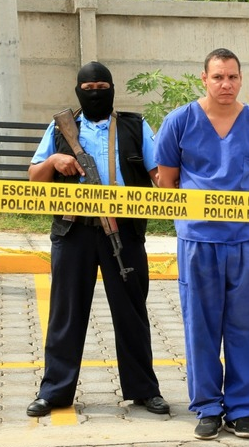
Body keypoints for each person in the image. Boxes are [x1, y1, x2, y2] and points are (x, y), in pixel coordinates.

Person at [26, 61, 169, 417]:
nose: (95, 94)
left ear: (113, 89)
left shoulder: (135, 127)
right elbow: (34, 178)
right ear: (78, 91)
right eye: (88, 89)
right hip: (74, 231)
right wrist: (56, 160)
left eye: (101, 87)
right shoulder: (61, 129)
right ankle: (55, 391)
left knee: (132, 311)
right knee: (66, 313)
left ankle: (143, 390)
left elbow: (160, 177)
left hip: (124, 230)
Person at [155, 48, 249, 440]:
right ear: (203, 79)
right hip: (198, 241)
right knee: (202, 326)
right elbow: (167, 181)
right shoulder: (180, 121)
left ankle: (243, 409)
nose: (225, 84)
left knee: (247, 327)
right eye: (218, 77)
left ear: (241, 79)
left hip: (244, 240)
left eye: (232, 77)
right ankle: (208, 407)